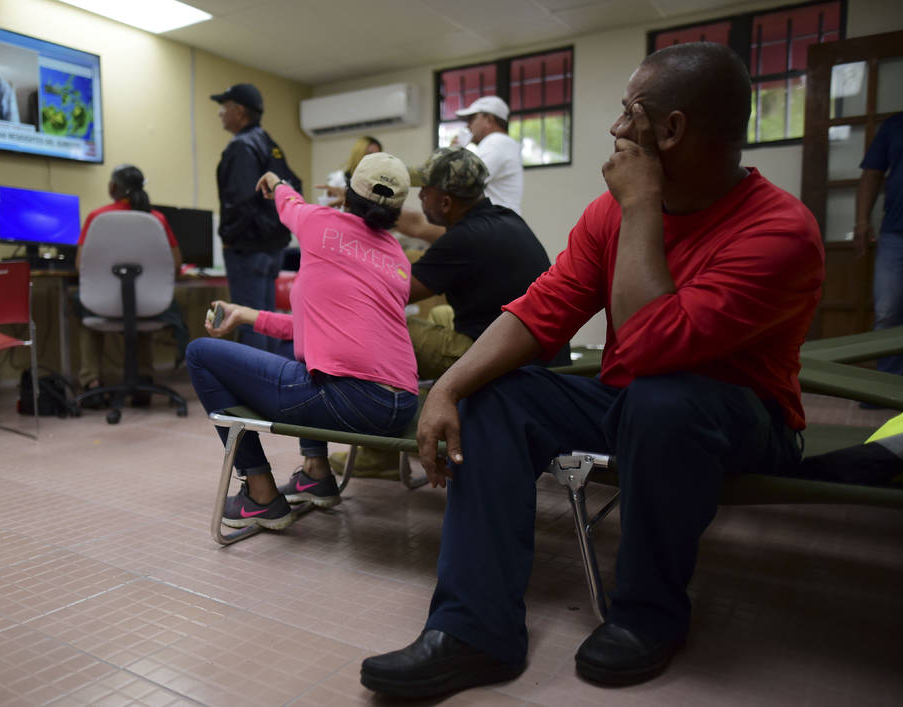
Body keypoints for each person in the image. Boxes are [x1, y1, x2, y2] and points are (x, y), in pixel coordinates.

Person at [359, 42, 824, 698]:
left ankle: (648, 616)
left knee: (663, 399)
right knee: (498, 397)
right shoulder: (610, 214)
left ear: (672, 130)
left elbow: (653, 343)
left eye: (631, 112)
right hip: (633, 400)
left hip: (744, 419)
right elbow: (541, 310)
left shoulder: (781, 232)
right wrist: (453, 386)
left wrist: (640, 208)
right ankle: (472, 629)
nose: (615, 128)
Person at [186, 152, 419, 530]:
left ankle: (260, 494)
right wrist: (246, 315)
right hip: (401, 403)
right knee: (300, 355)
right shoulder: (398, 258)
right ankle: (315, 474)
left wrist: (275, 181)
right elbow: (322, 328)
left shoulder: (319, 222)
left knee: (199, 354)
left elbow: (289, 204)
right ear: (395, 210)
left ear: (347, 195)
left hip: (352, 400)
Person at [330, 148, 568, 476]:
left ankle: (377, 452)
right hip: (540, 357)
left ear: (444, 203)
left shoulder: (462, 240)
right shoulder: (505, 220)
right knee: (441, 315)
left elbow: (390, 297)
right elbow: (419, 235)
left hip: (507, 365)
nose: (420, 198)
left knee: (378, 328)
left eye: (424, 192)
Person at [75, 164, 186, 405]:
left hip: (102, 302)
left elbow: (79, 265)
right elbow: (176, 265)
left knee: (83, 306)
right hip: (150, 302)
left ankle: (91, 382)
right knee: (142, 308)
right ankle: (143, 380)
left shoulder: (97, 217)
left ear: (113, 187)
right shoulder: (157, 219)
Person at [211, 82, 300, 351]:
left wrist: (229, 237)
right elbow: (294, 187)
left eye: (224, 108)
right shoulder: (271, 145)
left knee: (247, 321)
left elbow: (241, 200)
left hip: (247, 250)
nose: (220, 114)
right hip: (272, 249)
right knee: (266, 319)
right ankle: (271, 385)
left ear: (239, 111)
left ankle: (253, 388)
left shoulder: (240, 147)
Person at [397, 95, 525, 243]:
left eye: (471, 119)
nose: (467, 126)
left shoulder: (496, 142)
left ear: (489, 119)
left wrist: (393, 174)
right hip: (498, 225)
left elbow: (452, 176)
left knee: (418, 225)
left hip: (492, 227)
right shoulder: (503, 144)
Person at [855, 112, 903, 377]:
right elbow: (871, 174)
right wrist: (862, 222)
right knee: (887, 311)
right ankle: (884, 388)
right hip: (895, 233)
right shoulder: (895, 125)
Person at [316, 136, 382, 208]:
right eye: (369, 154)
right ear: (358, 154)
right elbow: (325, 210)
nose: (374, 159)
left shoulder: (380, 183)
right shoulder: (338, 179)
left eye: (377, 156)